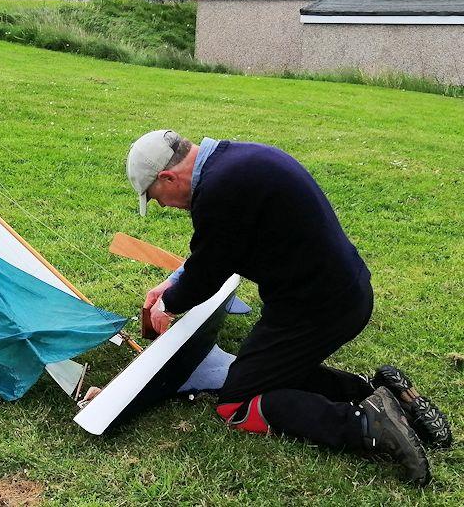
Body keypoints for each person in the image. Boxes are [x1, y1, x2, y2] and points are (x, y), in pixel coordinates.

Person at [124, 129, 452, 486]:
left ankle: (365, 423)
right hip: (346, 292)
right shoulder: (238, 160)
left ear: (169, 177)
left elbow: (208, 272)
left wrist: (168, 305)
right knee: (271, 374)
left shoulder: (219, 194)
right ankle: (377, 393)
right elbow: (219, 249)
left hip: (314, 311)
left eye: (158, 198)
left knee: (235, 404)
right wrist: (173, 282)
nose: (166, 206)